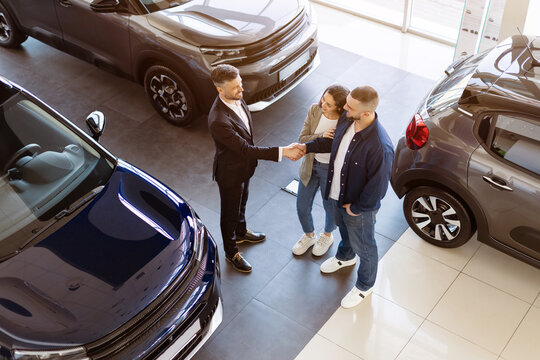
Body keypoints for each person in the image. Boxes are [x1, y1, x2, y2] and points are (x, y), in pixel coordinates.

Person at [295, 86, 394, 308]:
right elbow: (332, 143)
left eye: (350, 106)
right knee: (344, 231)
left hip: (357, 207)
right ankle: (344, 257)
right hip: (336, 195)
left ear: (367, 113)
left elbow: (378, 187)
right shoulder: (347, 121)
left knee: (365, 246)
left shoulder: (380, 146)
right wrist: (305, 147)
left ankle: (364, 286)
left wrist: (356, 208)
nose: (345, 108)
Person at [208, 64, 302, 273]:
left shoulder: (237, 99)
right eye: (235, 88)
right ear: (219, 90)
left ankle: (241, 232)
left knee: (243, 201)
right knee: (229, 213)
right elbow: (245, 149)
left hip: (245, 167)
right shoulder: (218, 121)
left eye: (240, 84)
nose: (241, 91)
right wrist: (283, 151)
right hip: (230, 172)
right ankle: (231, 252)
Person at [292, 84, 349, 257]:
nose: (323, 105)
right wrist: (322, 136)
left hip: (330, 171)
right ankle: (309, 235)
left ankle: (327, 235)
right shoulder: (314, 110)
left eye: (329, 104)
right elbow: (302, 138)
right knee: (302, 206)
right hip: (310, 165)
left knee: (330, 207)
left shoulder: (346, 122)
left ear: (339, 107)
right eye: (324, 99)